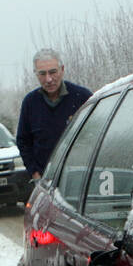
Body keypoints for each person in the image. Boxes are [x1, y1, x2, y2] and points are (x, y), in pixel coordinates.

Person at [16, 49, 93, 180]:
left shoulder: (82, 97)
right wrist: (34, 173)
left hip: (80, 179)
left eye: (53, 72)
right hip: (45, 180)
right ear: (36, 74)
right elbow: (23, 141)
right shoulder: (30, 103)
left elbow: (94, 135)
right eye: (42, 74)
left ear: (62, 69)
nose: (49, 79)